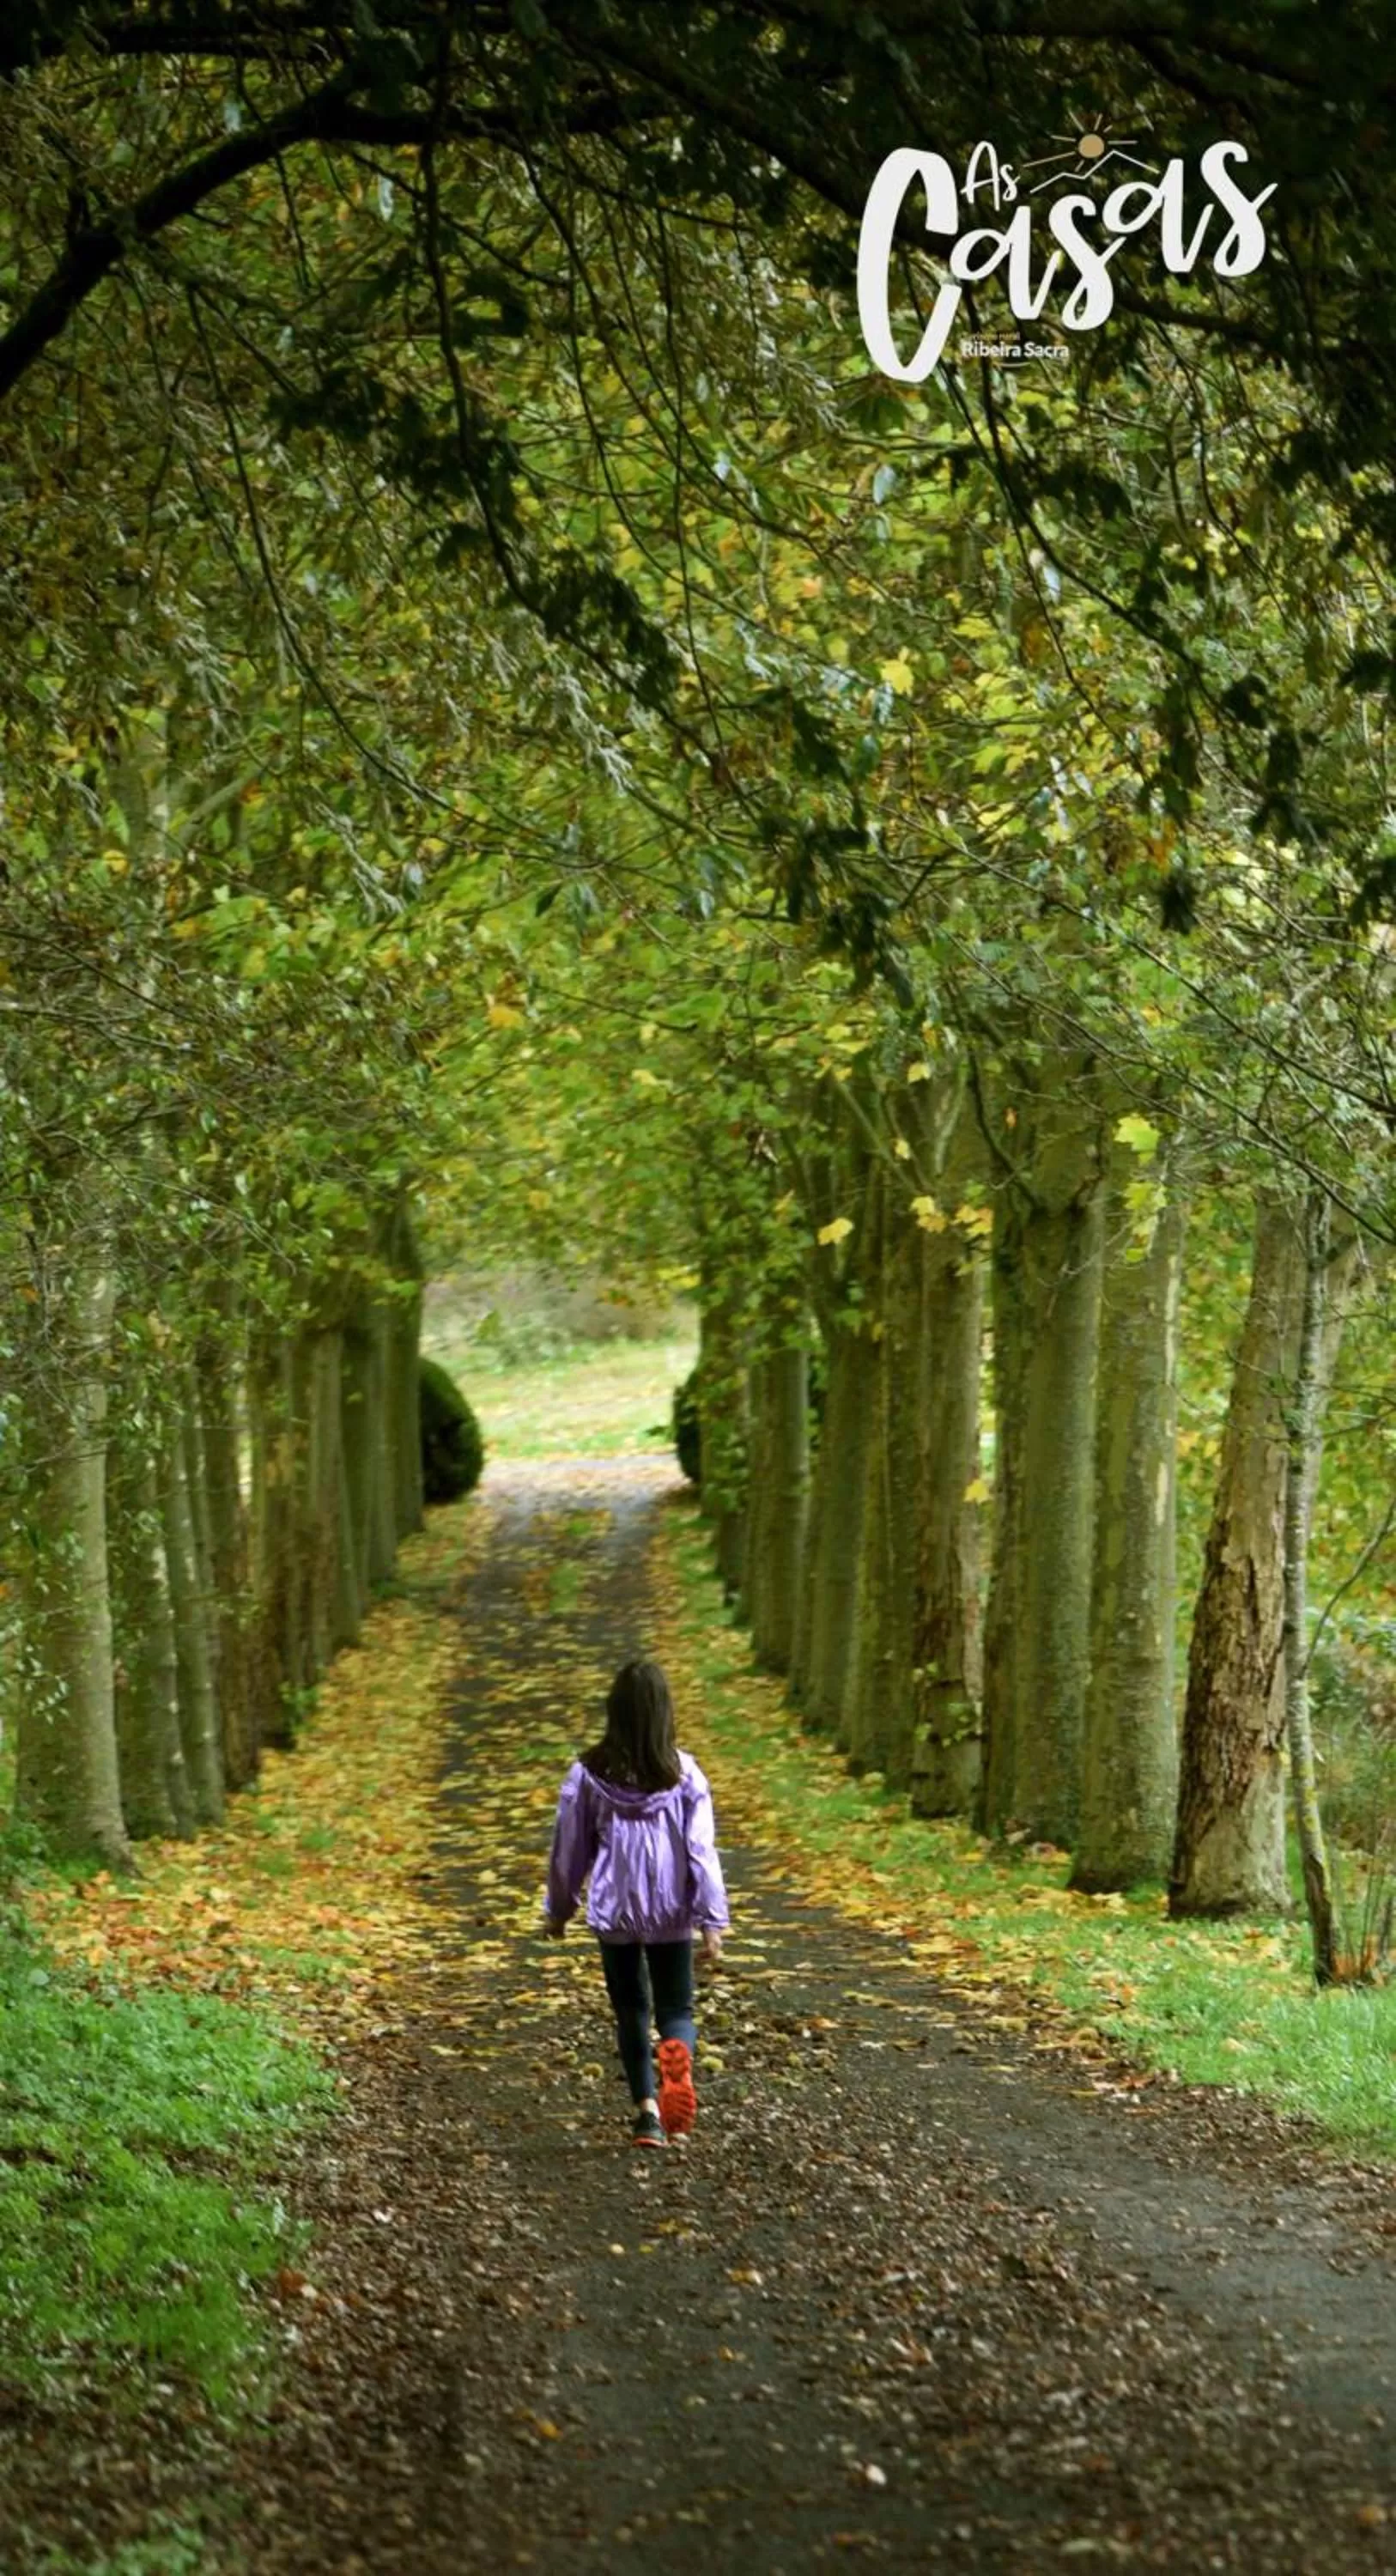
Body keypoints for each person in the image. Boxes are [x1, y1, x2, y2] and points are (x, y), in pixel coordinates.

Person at [543, 1657, 729, 2149]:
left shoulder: (588, 1774)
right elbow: (700, 1850)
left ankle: (647, 2115)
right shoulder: (685, 1774)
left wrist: (559, 1909)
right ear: (664, 1712)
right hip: (671, 1910)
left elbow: (569, 1847)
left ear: (615, 1712)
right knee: (677, 2006)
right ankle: (677, 2055)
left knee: (629, 2008)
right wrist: (711, 1919)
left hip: (617, 1910)